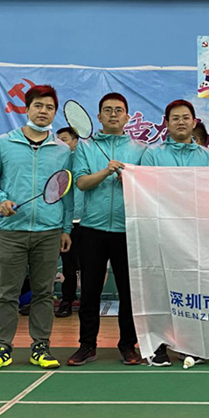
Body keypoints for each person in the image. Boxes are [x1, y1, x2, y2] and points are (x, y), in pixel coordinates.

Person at [0, 85, 73, 371]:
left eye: (49, 107)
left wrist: (65, 228)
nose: (43, 111)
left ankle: (40, 347)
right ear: (27, 108)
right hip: (12, 231)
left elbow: (66, 192)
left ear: (54, 113)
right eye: (38, 106)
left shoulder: (62, 150)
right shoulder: (3, 143)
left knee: (44, 293)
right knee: (7, 293)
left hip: (49, 232)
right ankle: (1, 348)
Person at [67, 93, 147, 366]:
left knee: (128, 292)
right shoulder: (86, 148)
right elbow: (81, 183)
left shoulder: (141, 150)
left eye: (119, 110)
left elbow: (146, 187)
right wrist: (106, 171)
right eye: (108, 110)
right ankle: (87, 345)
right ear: (99, 116)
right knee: (90, 292)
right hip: (92, 229)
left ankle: (128, 346)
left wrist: (128, 179)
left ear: (127, 117)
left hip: (128, 230)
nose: (113, 114)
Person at [141, 99, 209, 366]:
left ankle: (191, 345)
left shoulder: (208, 157)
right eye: (175, 118)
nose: (181, 122)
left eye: (186, 117)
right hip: (161, 232)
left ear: (194, 122)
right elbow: (146, 191)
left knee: (193, 289)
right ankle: (158, 344)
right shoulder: (152, 154)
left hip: (195, 233)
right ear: (167, 123)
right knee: (160, 290)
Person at [55, 126, 83, 318]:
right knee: (68, 266)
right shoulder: (58, 164)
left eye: (64, 139)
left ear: (75, 141)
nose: (61, 144)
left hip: (88, 222)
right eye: (58, 140)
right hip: (67, 223)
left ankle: (88, 301)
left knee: (89, 266)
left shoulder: (86, 160)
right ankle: (67, 300)